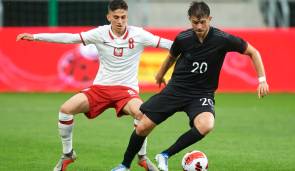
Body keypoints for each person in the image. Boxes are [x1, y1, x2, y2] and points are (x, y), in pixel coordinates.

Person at [112, 1, 269, 171]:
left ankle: (164, 155)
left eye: (203, 22)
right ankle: (124, 165)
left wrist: (262, 80)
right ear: (190, 20)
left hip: (202, 93)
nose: (199, 26)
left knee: (207, 124)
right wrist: (160, 74)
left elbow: (253, 52)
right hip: (177, 89)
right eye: (195, 22)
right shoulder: (183, 38)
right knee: (143, 126)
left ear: (210, 19)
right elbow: (172, 56)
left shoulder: (223, 39)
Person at [16, 0, 172, 171]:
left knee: (143, 115)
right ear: (108, 17)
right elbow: (70, 38)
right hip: (101, 88)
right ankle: (68, 154)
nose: (120, 21)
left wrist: (196, 47)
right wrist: (36, 36)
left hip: (126, 92)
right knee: (66, 110)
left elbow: (170, 45)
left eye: (123, 17)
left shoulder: (139, 34)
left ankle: (142, 157)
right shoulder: (100, 33)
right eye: (116, 17)